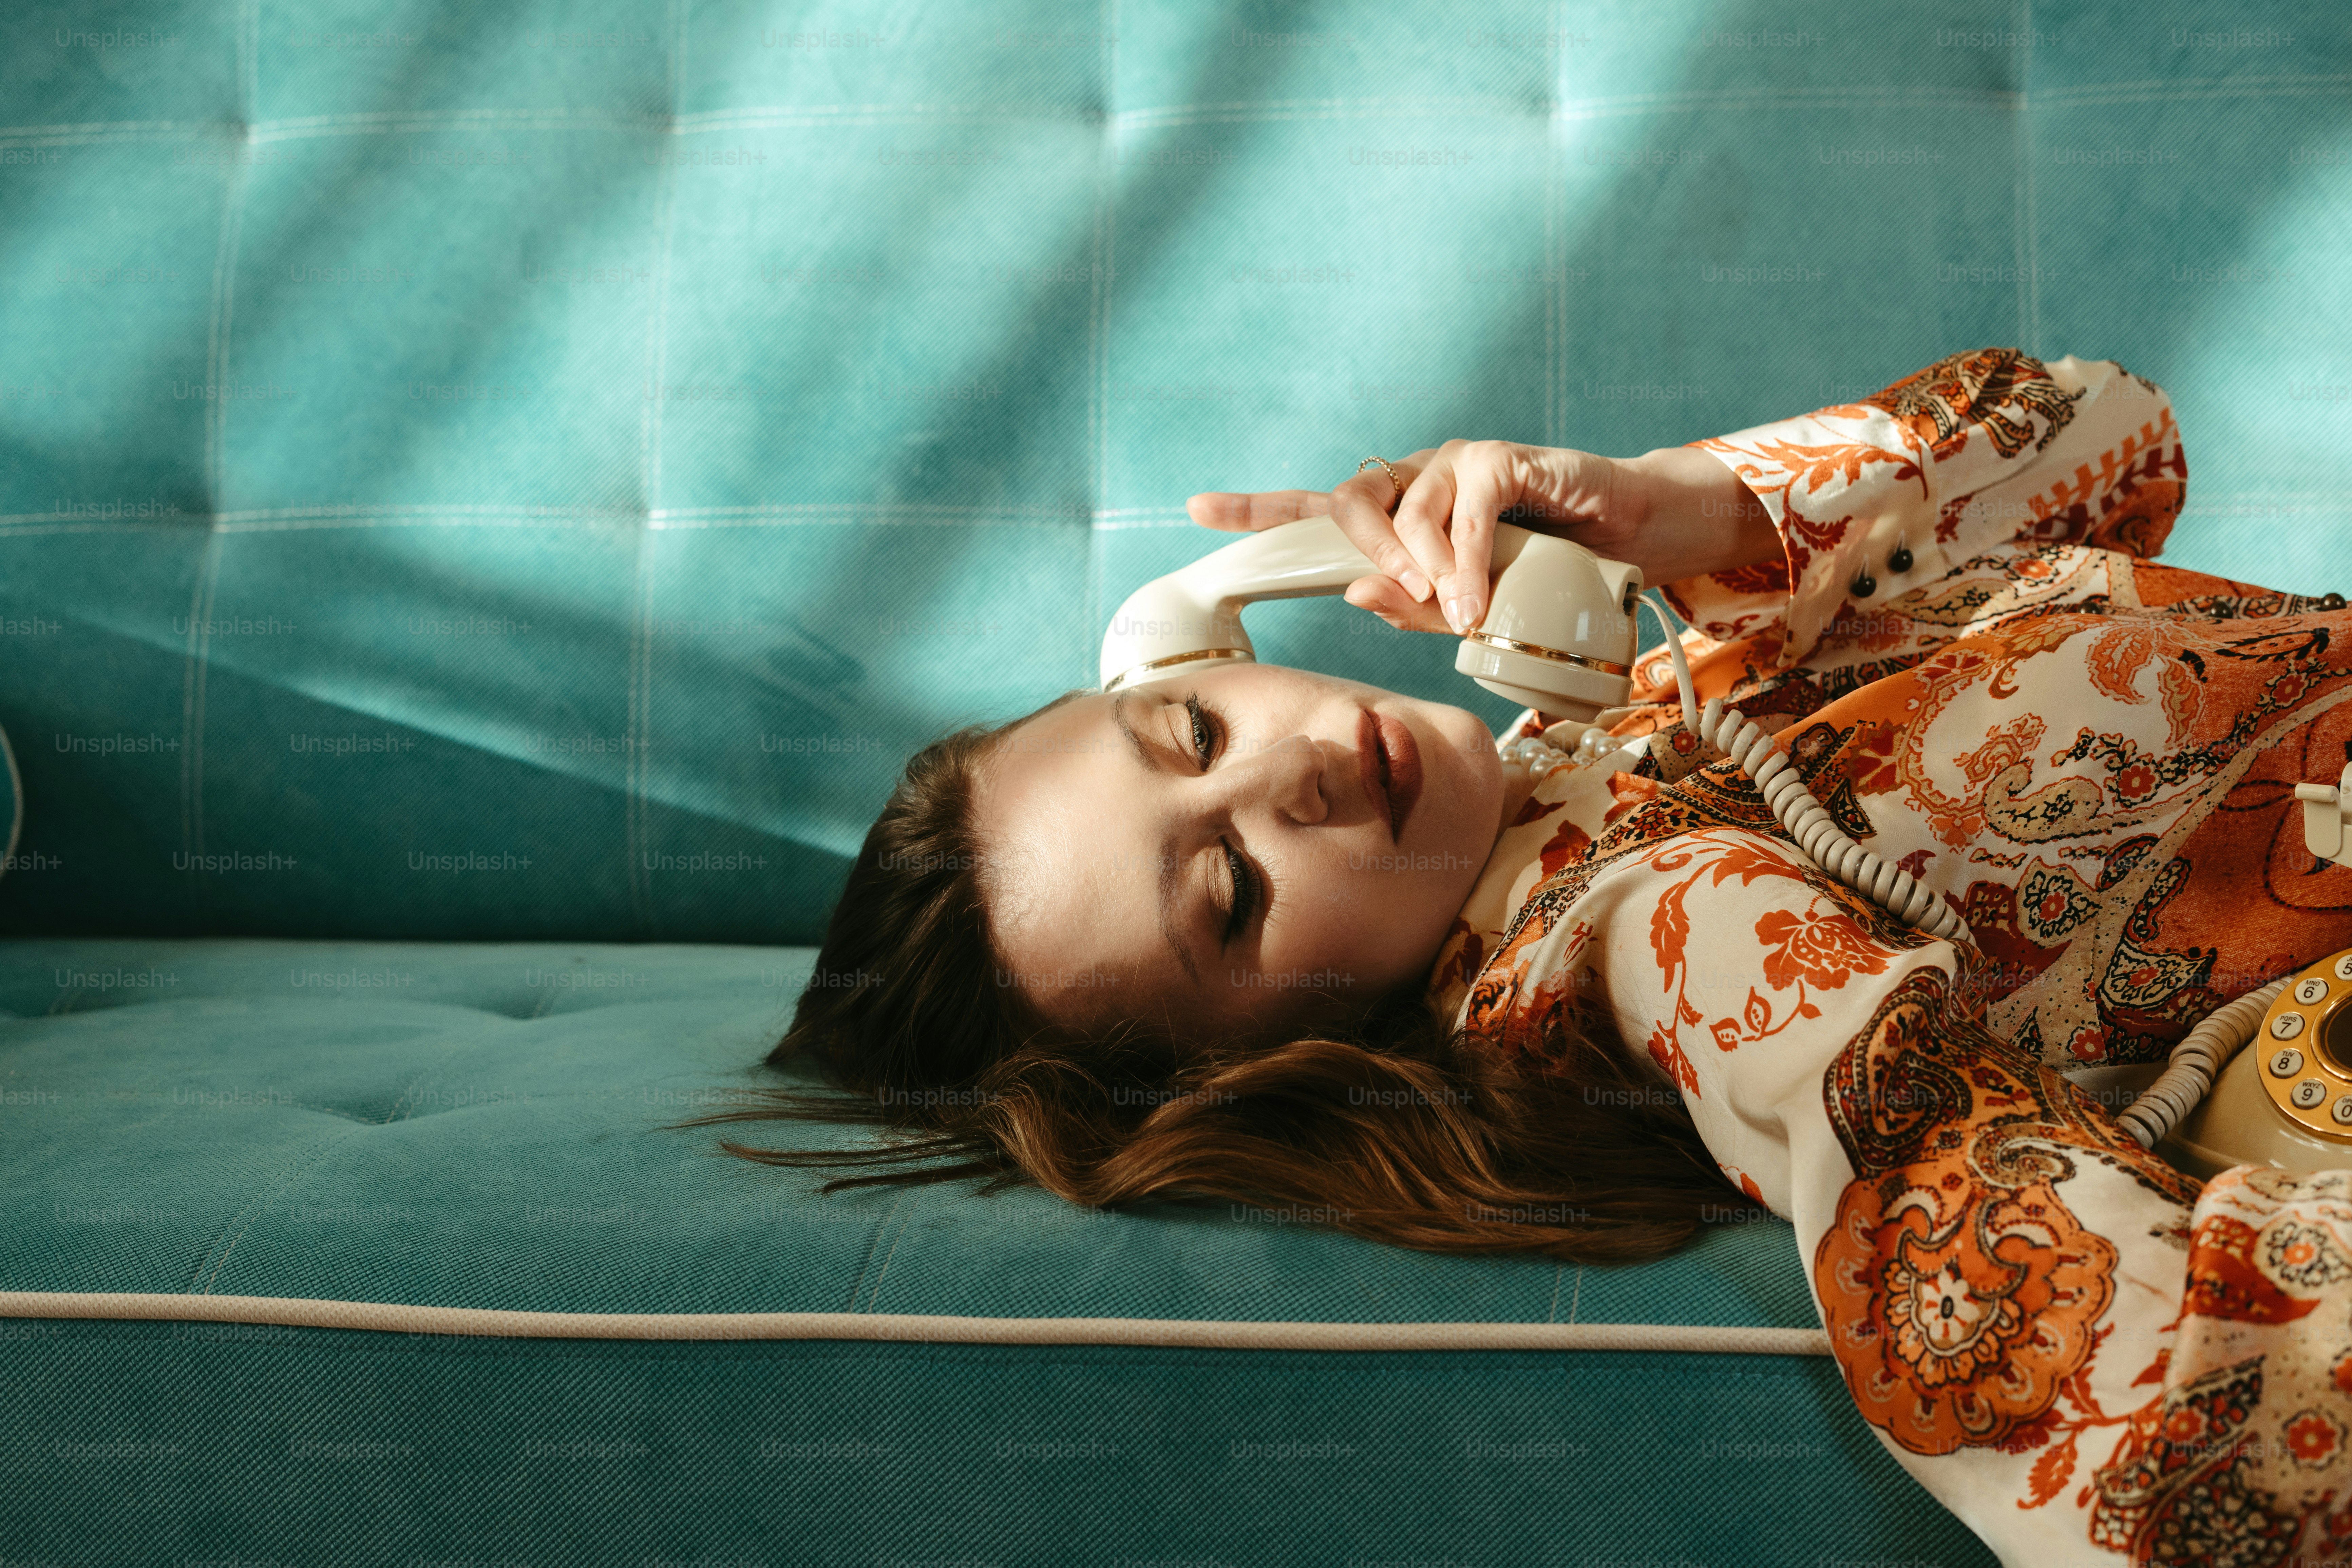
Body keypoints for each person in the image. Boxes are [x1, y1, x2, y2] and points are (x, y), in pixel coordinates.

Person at [679, 347, 2352, 1560]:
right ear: (1264, 1046)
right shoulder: (1647, 923)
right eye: (1233, 897)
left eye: (1190, 726)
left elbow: (2104, 440)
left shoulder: (1640, 715)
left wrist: (1670, 510)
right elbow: (1945, 1197)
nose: (1293, 773)